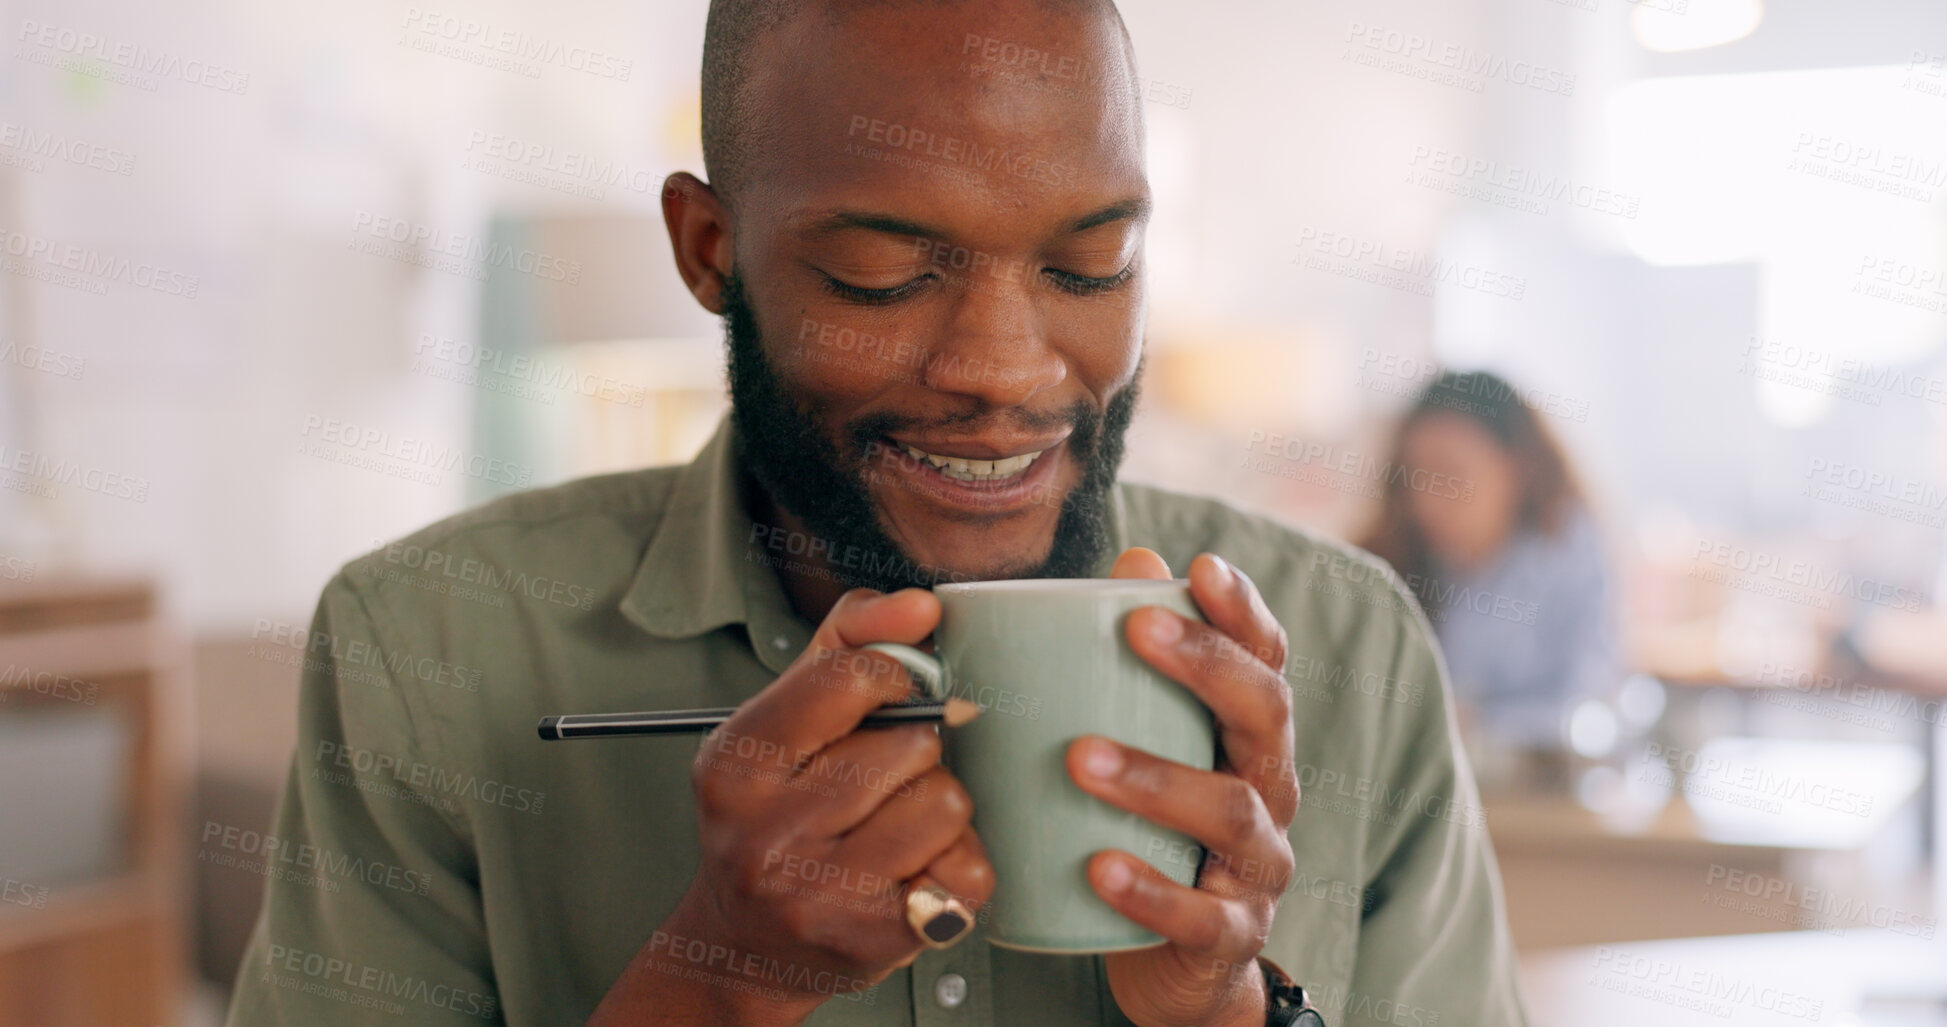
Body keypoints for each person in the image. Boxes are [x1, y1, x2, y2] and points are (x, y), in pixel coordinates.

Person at [225, 3, 1530, 1025]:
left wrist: (1228, 1008)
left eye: (1089, 266)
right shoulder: (426, 651)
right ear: (707, 250)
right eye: (883, 273)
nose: (1007, 370)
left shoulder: (1344, 648)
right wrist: (716, 982)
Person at [1362, 370, 1620, 778]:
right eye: (1416, 478)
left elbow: (1588, 705)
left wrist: (1479, 725)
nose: (1428, 502)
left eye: (1451, 475)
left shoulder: (1570, 553)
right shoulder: (1386, 559)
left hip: (1534, 805)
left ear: (1519, 470)